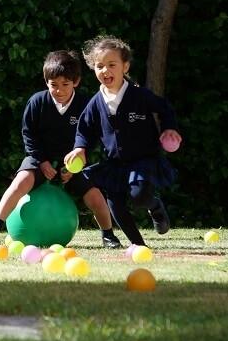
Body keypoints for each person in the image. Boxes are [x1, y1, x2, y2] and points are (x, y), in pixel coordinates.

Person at [0, 51, 122, 249]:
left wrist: (75, 167)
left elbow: (93, 137)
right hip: (39, 159)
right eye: (53, 85)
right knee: (21, 181)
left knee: (95, 194)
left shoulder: (86, 105)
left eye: (65, 85)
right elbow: (28, 135)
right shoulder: (37, 102)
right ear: (46, 82)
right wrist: (42, 161)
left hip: (73, 163)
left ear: (76, 82)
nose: (59, 90)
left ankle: (109, 236)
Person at [64, 35, 182, 247]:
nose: (105, 70)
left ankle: (155, 206)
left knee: (138, 196)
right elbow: (84, 130)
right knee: (115, 203)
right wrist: (80, 148)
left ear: (125, 67)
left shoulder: (140, 95)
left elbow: (164, 108)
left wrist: (169, 129)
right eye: (99, 66)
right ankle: (139, 246)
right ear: (93, 69)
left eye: (112, 65)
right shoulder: (94, 103)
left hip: (143, 160)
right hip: (115, 164)